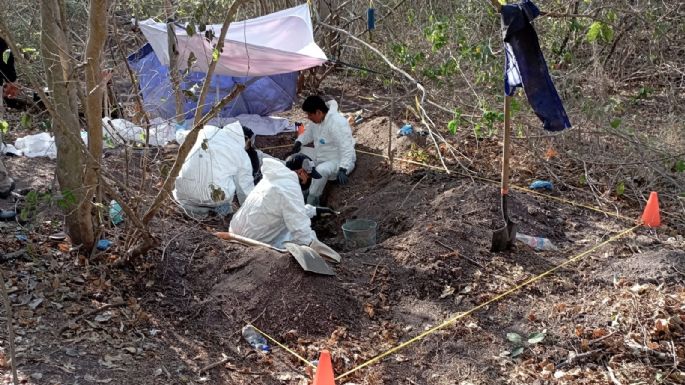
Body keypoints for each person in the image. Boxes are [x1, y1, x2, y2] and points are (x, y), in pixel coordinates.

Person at [229, 157, 325, 248]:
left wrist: (314, 210)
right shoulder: (290, 187)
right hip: (252, 241)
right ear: (300, 172)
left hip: (234, 232)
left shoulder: (273, 179)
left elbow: (283, 208)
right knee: (294, 233)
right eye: (308, 176)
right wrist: (314, 248)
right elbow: (300, 229)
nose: (309, 180)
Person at [173, 122, 254, 219]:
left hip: (184, 195)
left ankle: (196, 211)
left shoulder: (206, 130)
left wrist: (179, 130)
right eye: (248, 144)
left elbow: (183, 137)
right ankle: (219, 211)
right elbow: (245, 187)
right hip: (216, 200)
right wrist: (250, 209)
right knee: (232, 179)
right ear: (244, 138)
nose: (246, 148)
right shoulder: (241, 153)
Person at [288, 95, 356, 206]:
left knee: (320, 171)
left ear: (318, 112)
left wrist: (343, 168)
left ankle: (312, 200)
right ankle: (302, 189)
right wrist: (299, 142)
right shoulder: (317, 121)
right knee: (296, 158)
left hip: (338, 160)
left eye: (310, 114)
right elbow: (308, 133)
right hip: (322, 156)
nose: (308, 117)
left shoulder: (337, 123)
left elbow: (346, 147)